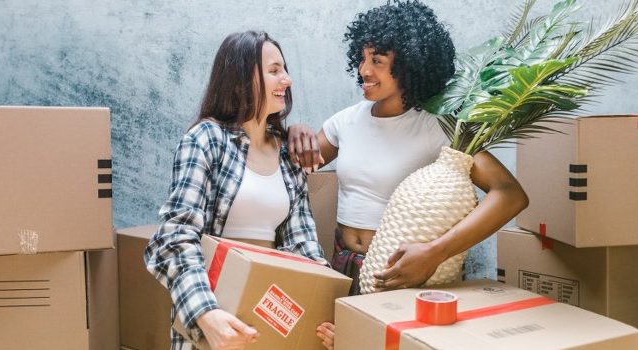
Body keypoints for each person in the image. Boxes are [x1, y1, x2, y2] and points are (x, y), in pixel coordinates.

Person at [286, 2, 529, 349]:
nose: (363, 70)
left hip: (402, 275)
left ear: (411, 66)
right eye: (362, 57)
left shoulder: (438, 127)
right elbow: (294, 163)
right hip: (342, 267)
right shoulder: (347, 121)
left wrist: (435, 252)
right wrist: (296, 129)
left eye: (377, 61)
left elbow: (509, 194)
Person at [144, 30, 329, 350]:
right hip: (215, 307)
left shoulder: (288, 154)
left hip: (269, 314)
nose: (286, 79)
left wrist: (325, 312)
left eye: (285, 69)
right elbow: (175, 236)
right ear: (241, 80)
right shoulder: (205, 140)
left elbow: (304, 245)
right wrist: (206, 314)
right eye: (274, 71)